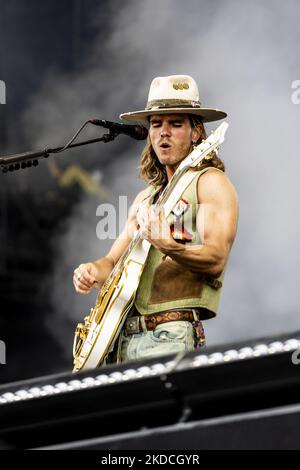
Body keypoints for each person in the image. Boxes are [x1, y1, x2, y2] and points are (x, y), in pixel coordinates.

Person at [73, 74, 239, 365]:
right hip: (121, 340)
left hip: (170, 335)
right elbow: (110, 264)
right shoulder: (145, 198)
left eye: (175, 124)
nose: (164, 132)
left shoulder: (211, 182)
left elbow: (216, 259)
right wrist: (89, 271)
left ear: (196, 132)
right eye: (156, 124)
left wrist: (170, 245)